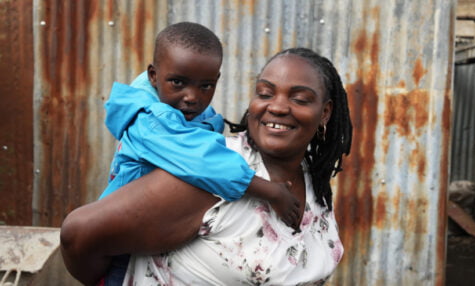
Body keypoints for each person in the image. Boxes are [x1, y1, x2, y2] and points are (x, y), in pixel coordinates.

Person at [60, 47, 352, 285]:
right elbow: (79, 236)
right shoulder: (212, 169)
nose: (276, 106)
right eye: (264, 93)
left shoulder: (312, 181)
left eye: (299, 98)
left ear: (325, 112)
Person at [99, 22, 300, 285]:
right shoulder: (151, 122)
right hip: (125, 246)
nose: (192, 96)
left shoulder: (180, 108)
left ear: (216, 80)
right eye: (178, 82)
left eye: (205, 86)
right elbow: (202, 161)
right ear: (153, 76)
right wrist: (271, 191)